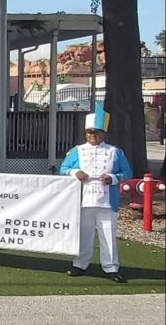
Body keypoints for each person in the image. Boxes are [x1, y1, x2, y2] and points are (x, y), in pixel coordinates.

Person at [60, 110, 132, 283]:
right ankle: (80, 264)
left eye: (96, 132)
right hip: (83, 200)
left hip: (107, 201)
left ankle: (111, 267)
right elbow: (63, 170)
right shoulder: (76, 151)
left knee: (108, 235)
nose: (93, 135)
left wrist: (113, 178)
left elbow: (127, 172)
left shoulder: (115, 152)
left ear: (103, 133)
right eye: (90, 132)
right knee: (84, 234)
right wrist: (75, 172)